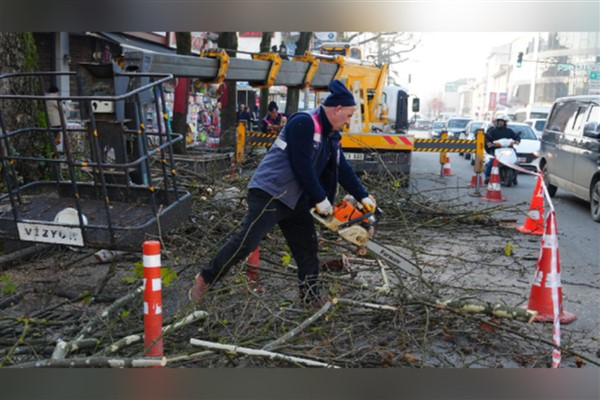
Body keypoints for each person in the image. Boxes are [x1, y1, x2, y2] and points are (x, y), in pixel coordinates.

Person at [189, 80, 377, 308]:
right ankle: (205, 279)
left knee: (307, 249)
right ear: (336, 109)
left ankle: (310, 298)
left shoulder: (331, 137)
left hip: (297, 199)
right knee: (247, 242)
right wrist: (320, 198)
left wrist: (362, 195)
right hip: (271, 192)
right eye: (347, 115)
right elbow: (302, 165)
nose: (348, 121)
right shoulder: (305, 123)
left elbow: (342, 168)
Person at [484, 115, 520, 183]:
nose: (500, 123)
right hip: (496, 149)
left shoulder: (509, 131)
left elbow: (515, 136)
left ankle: (514, 176)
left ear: (505, 123)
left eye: (502, 121)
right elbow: (487, 137)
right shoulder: (493, 130)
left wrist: (517, 140)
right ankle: (487, 176)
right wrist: (488, 142)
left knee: (515, 160)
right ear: (497, 122)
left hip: (508, 149)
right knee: (492, 160)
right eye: (499, 121)